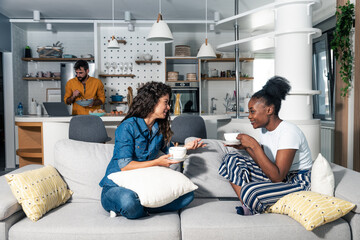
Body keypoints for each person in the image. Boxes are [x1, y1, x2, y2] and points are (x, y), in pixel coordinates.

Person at [99, 81, 205, 219]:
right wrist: (157, 163)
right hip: (117, 186)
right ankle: (138, 206)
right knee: (128, 201)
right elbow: (125, 166)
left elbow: (168, 154)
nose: (168, 107)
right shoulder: (127, 127)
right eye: (166, 102)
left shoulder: (158, 128)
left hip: (144, 186)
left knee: (187, 195)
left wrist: (186, 147)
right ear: (152, 102)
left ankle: (142, 207)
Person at [218, 76, 312, 215]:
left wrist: (254, 145)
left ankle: (254, 202)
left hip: (296, 182)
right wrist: (247, 148)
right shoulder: (265, 130)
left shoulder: (289, 132)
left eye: (252, 111)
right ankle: (249, 205)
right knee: (231, 158)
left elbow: (278, 177)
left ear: (269, 110)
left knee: (251, 190)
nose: (249, 116)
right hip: (277, 177)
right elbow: (264, 164)